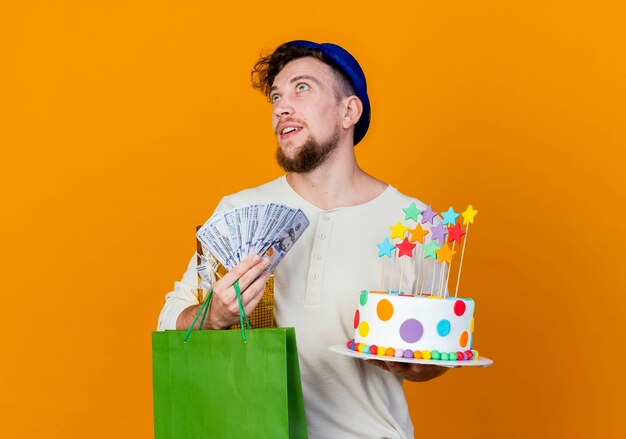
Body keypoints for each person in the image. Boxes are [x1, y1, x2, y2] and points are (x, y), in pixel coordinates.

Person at [158, 40, 447, 438]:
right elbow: (169, 322)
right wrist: (213, 315)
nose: (281, 106)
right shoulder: (237, 213)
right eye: (276, 95)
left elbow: (434, 360)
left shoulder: (416, 225)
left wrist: (411, 363)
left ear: (349, 111)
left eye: (302, 88)